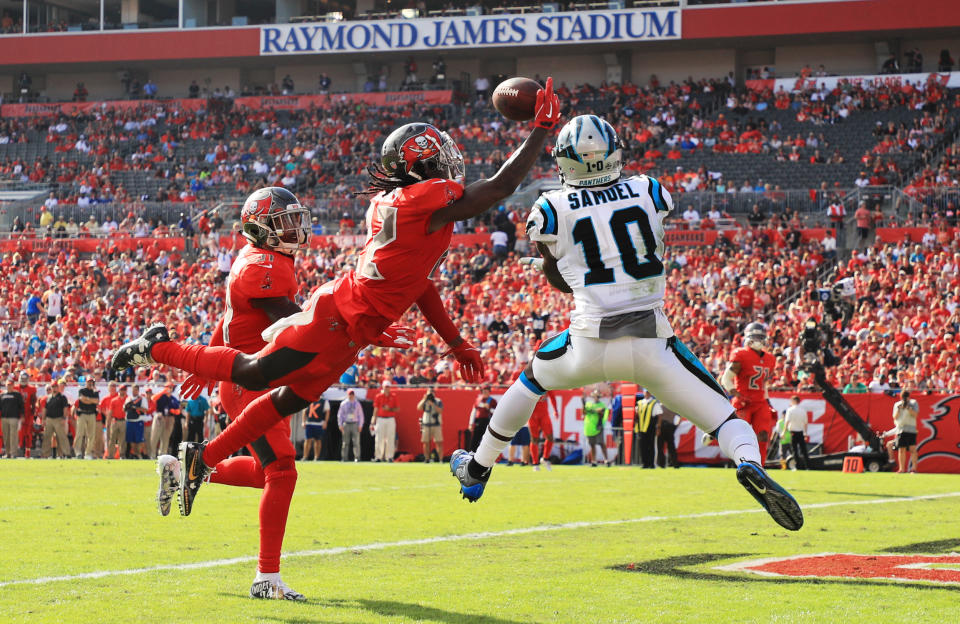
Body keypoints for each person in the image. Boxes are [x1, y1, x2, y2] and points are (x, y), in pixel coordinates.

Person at [113, 82, 559, 527]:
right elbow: (500, 187)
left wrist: (457, 342)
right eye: (438, 153)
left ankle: (201, 461)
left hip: (353, 325)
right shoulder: (421, 199)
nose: (449, 161)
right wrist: (541, 128)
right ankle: (155, 349)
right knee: (256, 372)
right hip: (339, 315)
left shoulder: (406, 202)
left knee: (281, 402)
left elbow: (419, 283)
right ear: (420, 162)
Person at [449, 114, 803, 532]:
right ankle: (747, 462)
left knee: (530, 382)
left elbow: (562, 280)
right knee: (727, 421)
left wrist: (552, 263)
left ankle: (478, 467)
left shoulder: (551, 206)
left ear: (567, 161)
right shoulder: (648, 190)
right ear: (614, 152)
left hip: (588, 345)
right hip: (653, 344)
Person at [721, 323, 777, 466]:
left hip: (760, 402)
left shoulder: (771, 359)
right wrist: (737, 395)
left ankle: (761, 468)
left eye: (760, 336)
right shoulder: (741, 354)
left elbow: (763, 384)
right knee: (740, 437)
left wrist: (768, 402)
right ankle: (741, 465)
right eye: (755, 336)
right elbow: (725, 379)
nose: (758, 339)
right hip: (743, 401)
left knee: (763, 436)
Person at [42, 379, 72, 459]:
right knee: (47, 437)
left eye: (55, 386)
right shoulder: (48, 398)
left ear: (58, 387)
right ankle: (45, 454)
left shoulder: (62, 397)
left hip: (58, 419)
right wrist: (43, 419)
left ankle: (66, 453)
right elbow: (45, 409)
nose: (54, 388)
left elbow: (65, 408)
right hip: (49, 419)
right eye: (53, 387)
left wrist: (64, 418)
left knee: (62, 437)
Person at [73, 377, 100, 459]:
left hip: (91, 413)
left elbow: (97, 401)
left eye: (92, 382)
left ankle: (88, 453)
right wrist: (91, 400)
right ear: (86, 382)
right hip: (82, 413)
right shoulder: (82, 390)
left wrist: (87, 399)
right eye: (89, 382)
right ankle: (78, 452)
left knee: (91, 435)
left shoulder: (95, 391)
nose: (90, 383)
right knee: (79, 434)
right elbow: (82, 399)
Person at [892, 390, 919, 473]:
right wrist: (899, 409)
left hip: (911, 429)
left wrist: (908, 408)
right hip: (901, 429)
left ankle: (914, 468)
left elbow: (915, 415)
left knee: (912, 449)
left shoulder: (913, 403)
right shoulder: (897, 404)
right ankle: (901, 469)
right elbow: (894, 417)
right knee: (901, 449)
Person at [371, 381, 399, 462]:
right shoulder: (378, 396)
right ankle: (378, 457)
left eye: (388, 387)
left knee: (390, 438)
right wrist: (373, 420)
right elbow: (375, 409)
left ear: (390, 388)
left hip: (390, 418)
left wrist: (389, 409)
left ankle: (389, 457)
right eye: (385, 387)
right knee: (379, 438)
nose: (387, 388)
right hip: (380, 419)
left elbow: (397, 409)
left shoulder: (394, 396)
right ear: (382, 387)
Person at [635, 389, 660, 468]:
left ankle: (651, 463)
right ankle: (644, 463)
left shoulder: (654, 403)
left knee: (651, 446)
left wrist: (658, 427)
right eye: (646, 392)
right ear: (643, 392)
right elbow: (636, 416)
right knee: (643, 446)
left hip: (651, 427)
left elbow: (659, 415)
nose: (647, 394)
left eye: (648, 392)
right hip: (641, 428)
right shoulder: (640, 403)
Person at [418, 386, 443, 462]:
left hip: (436, 424)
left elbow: (440, 411)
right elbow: (419, 408)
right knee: (426, 442)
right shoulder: (425, 401)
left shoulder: (438, 401)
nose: (431, 394)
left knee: (439, 442)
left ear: (434, 393)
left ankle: (441, 459)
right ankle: (427, 459)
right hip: (426, 424)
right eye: (429, 392)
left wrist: (433, 404)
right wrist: (424, 399)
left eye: (432, 392)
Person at [1, 378, 24, 458]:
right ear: (5, 385)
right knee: (6, 436)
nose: (9, 386)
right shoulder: (2, 395)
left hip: (14, 418)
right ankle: (8, 453)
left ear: (13, 385)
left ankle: (14, 453)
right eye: (8, 385)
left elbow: (21, 406)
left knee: (13, 435)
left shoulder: (17, 395)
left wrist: (22, 416)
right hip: (4, 418)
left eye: (11, 385)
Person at [337, 389, 364, 462]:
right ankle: (344, 458)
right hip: (346, 423)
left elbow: (361, 415)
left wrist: (360, 425)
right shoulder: (343, 403)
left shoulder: (357, 403)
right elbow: (340, 415)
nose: (351, 396)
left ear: (354, 395)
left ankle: (357, 457)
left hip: (355, 424)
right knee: (345, 442)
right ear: (348, 395)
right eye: (350, 394)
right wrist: (340, 424)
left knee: (356, 442)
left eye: (352, 394)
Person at [784, 396, 809, 470]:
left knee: (794, 451)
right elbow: (805, 423)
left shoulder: (790, 410)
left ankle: (798, 466)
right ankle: (808, 466)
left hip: (793, 432)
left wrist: (783, 432)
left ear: (794, 401)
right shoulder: (803, 410)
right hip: (801, 432)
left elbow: (787, 422)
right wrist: (805, 433)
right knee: (804, 450)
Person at [469, 386, 497, 452]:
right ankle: (472, 454)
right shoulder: (478, 399)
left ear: (489, 392)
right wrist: (470, 423)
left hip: (487, 421)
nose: (485, 392)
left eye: (486, 391)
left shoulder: (492, 401)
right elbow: (474, 411)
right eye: (483, 391)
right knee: (475, 439)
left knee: (487, 440)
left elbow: (496, 413)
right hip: (478, 422)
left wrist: (489, 408)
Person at [528, 397, 553, 471]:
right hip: (532, 415)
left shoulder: (547, 385)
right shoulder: (530, 385)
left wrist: (555, 410)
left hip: (544, 415)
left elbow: (552, 396)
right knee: (534, 439)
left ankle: (545, 458)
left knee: (550, 437)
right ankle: (535, 464)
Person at [123, 384, 148, 459]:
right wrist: (127, 406)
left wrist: (135, 407)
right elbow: (124, 409)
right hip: (129, 420)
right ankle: (135, 454)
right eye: (133, 389)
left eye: (136, 390)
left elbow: (145, 410)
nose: (134, 391)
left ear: (138, 390)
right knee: (131, 440)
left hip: (138, 421)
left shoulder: (142, 399)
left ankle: (144, 454)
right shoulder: (128, 398)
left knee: (140, 440)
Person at [656, 404, 680, 468]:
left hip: (662, 426)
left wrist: (658, 427)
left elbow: (659, 417)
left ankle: (661, 463)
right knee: (671, 447)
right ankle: (674, 463)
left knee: (660, 446)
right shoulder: (673, 406)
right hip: (670, 425)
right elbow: (679, 417)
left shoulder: (660, 406)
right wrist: (676, 426)